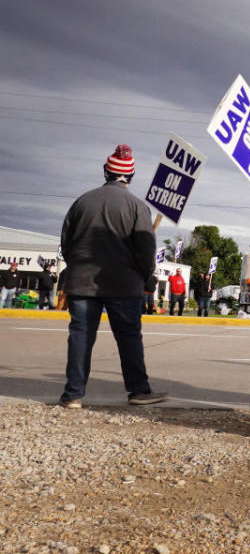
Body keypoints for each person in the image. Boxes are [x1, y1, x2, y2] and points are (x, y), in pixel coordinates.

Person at [58, 144, 167, 408]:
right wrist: (146, 276)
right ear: (129, 177)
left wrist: (77, 267)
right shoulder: (137, 207)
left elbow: (66, 244)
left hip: (82, 282)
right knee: (129, 337)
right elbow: (145, 250)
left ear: (106, 171)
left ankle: (73, 394)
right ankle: (138, 391)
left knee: (81, 336)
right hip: (124, 283)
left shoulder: (82, 202)